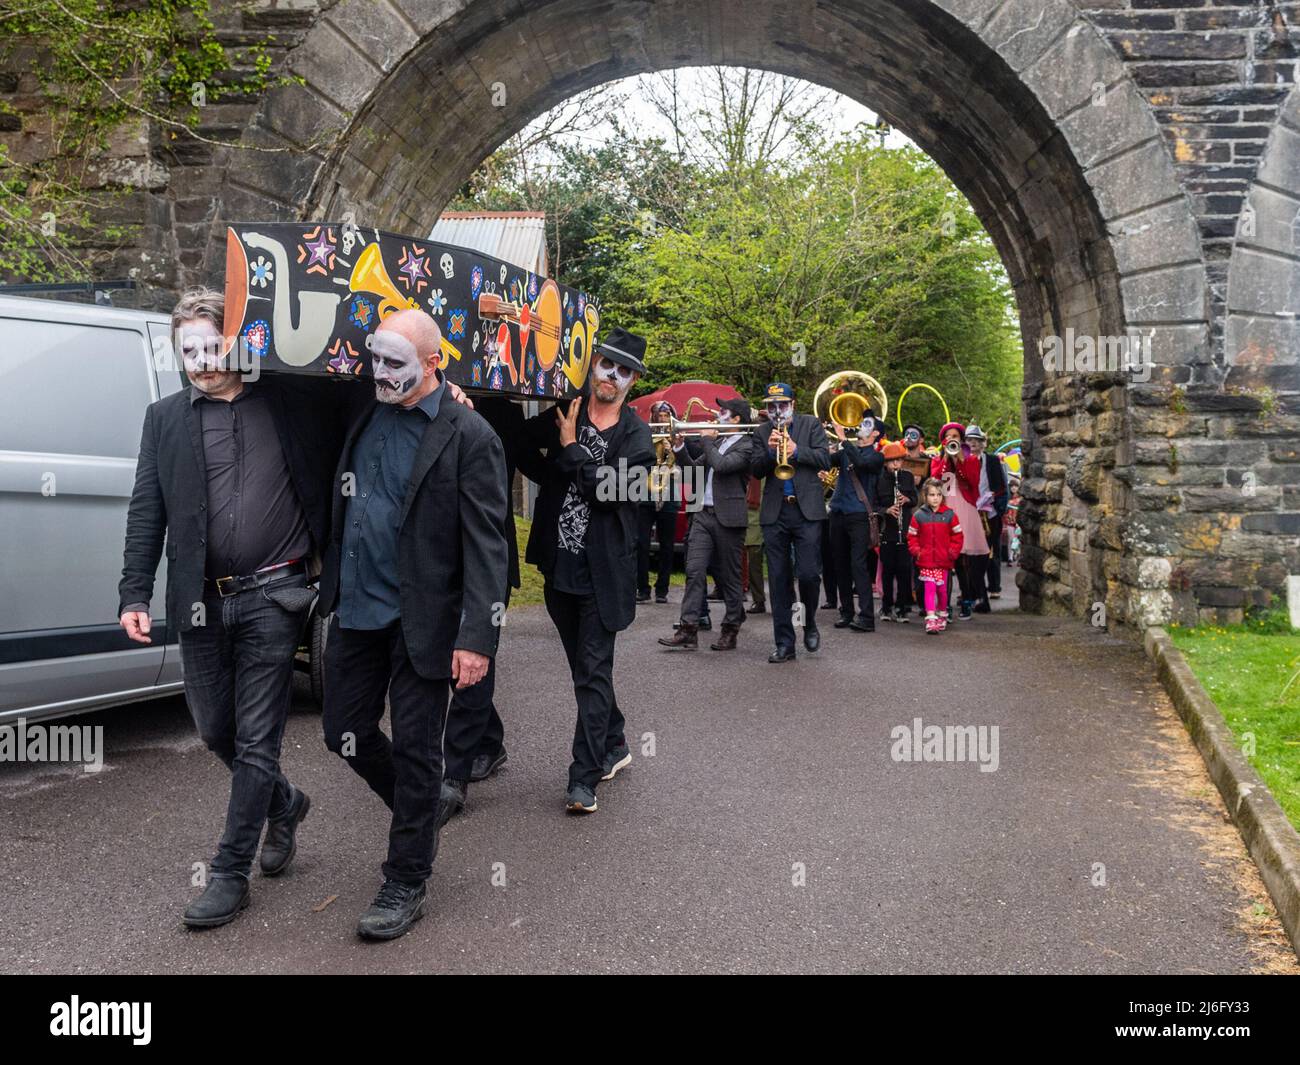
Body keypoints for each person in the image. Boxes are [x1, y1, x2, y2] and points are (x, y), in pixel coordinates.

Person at [119, 287, 347, 929]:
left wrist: (450, 393)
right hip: (200, 601)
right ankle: (286, 803)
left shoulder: (289, 400)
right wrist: (133, 592)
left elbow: (361, 392)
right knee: (216, 729)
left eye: (212, 344)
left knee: (255, 739)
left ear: (240, 339)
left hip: (277, 594)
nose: (201, 358)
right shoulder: (164, 419)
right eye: (188, 349)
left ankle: (228, 873)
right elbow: (147, 511)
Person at [317, 308, 510, 941]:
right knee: (343, 731)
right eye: (375, 358)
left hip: (422, 621)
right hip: (356, 610)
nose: (380, 372)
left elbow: (488, 545)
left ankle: (405, 879)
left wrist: (476, 637)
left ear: (434, 364)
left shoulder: (470, 435)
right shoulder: (365, 408)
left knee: (420, 747)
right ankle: (420, 809)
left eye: (395, 363)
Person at [516, 327, 655, 814]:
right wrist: (556, 468)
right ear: (593, 364)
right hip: (559, 571)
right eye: (606, 365)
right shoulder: (564, 410)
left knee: (592, 672)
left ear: (632, 381)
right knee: (585, 670)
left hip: (604, 577)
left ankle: (584, 778)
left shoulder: (639, 438)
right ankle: (614, 742)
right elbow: (517, 444)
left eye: (623, 371)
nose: (611, 376)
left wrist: (571, 449)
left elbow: (609, 491)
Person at [435, 394, 545, 828]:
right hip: (438, 559)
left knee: (474, 653)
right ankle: (490, 741)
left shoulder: (500, 410)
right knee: (453, 661)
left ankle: (454, 773)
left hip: (486, 558)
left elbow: (525, 464)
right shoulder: (420, 400)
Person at [658, 397, 754, 651]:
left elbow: (722, 466)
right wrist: (680, 449)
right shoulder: (718, 441)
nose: (718, 415)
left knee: (729, 578)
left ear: (736, 419)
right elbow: (693, 470)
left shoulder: (747, 445)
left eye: (724, 412)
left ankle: (731, 627)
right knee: (694, 570)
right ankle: (688, 628)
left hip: (729, 518)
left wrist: (707, 440)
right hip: (702, 513)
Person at [750, 382, 831, 662]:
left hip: (806, 511)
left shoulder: (811, 425)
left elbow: (825, 459)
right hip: (775, 513)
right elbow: (755, 468)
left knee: (809, 574)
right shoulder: (761, 432)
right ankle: (785, 642)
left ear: (793, 406)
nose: (777, 411)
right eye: (772, 406)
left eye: (782, 405)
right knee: (780, 579)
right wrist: (772, 453)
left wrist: (796, 450)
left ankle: (808, 623)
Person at [826, 415, 884, 632]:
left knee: (857, 565)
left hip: (859, 515)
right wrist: (817, 435)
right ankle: (847, 612)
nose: (861, 425)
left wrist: (842, 438)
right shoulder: (845, 451)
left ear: (876, 433)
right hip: (838, 512)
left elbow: (861, 464)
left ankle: (867, 617)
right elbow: (824, 459)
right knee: (839, 565)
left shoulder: (877, 456)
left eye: (867, 424)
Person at [930, 421, 989, 620]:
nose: (951, 439)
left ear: (961, 439)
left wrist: (960, 460)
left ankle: (966, 600)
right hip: (947, 508)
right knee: (947, 559)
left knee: (964, 560)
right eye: (948, 436)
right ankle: (943, 604)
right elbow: (938, 483)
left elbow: (972, 481)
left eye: (955, 436)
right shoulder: (939, 460)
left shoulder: (971, 459)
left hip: (965, 507)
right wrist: (947, 459)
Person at [908, 477, 964, 635]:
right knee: (929, 589)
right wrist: (917, 552)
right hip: (926, 561)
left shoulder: (949, 515)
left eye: (938, 495)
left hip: (943, 560)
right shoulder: (918, 516)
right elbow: (912, 537)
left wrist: (952, 552)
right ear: (925, 496)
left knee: (942, 591)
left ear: (942, 496)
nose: (935, 498)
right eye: (932, 495)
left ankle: (942, 613)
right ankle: (931, 618)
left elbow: (958, 536)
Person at [637, 400, 679, 604]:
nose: (662, 418)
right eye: (659, 415)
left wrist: (674, 448)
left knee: (667, 545)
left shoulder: (678, 434)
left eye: (666, 415)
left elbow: (686, 462)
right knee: (641, 543)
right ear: (653, 416)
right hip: (646, 492)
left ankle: (662, 590)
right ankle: (642, 588)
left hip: (669, 493)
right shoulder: (645, 432)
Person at [874, 441, 918, 622]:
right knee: (888, 570)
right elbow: (874, 504)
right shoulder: (879, 479)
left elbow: (915, 499)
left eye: (899, 461)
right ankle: (886, 607)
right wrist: (886, 510)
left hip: (905, 530)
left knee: (904, 570)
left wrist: (907, 499)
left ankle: (902, 607)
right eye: (892, 461)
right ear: (885, 462)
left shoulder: (907, 477)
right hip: (887, 531)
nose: (896, 465)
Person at [965, 425, 1007, 605]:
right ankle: (972, 590)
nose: (972, 443)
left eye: (976, 440)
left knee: (991, 551)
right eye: (969, 440)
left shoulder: (992, 461)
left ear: (983, 443)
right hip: (968, 512)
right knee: (969, 554)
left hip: (990, 513)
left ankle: (994, 587)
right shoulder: (961, 461)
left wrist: (997, 507)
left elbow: (1002, 487)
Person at [743, 466, 767, 613]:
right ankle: (758, 600)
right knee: (753, 560)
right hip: (753, 514)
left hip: (774, 513)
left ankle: (787, 600)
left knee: (780, 561)